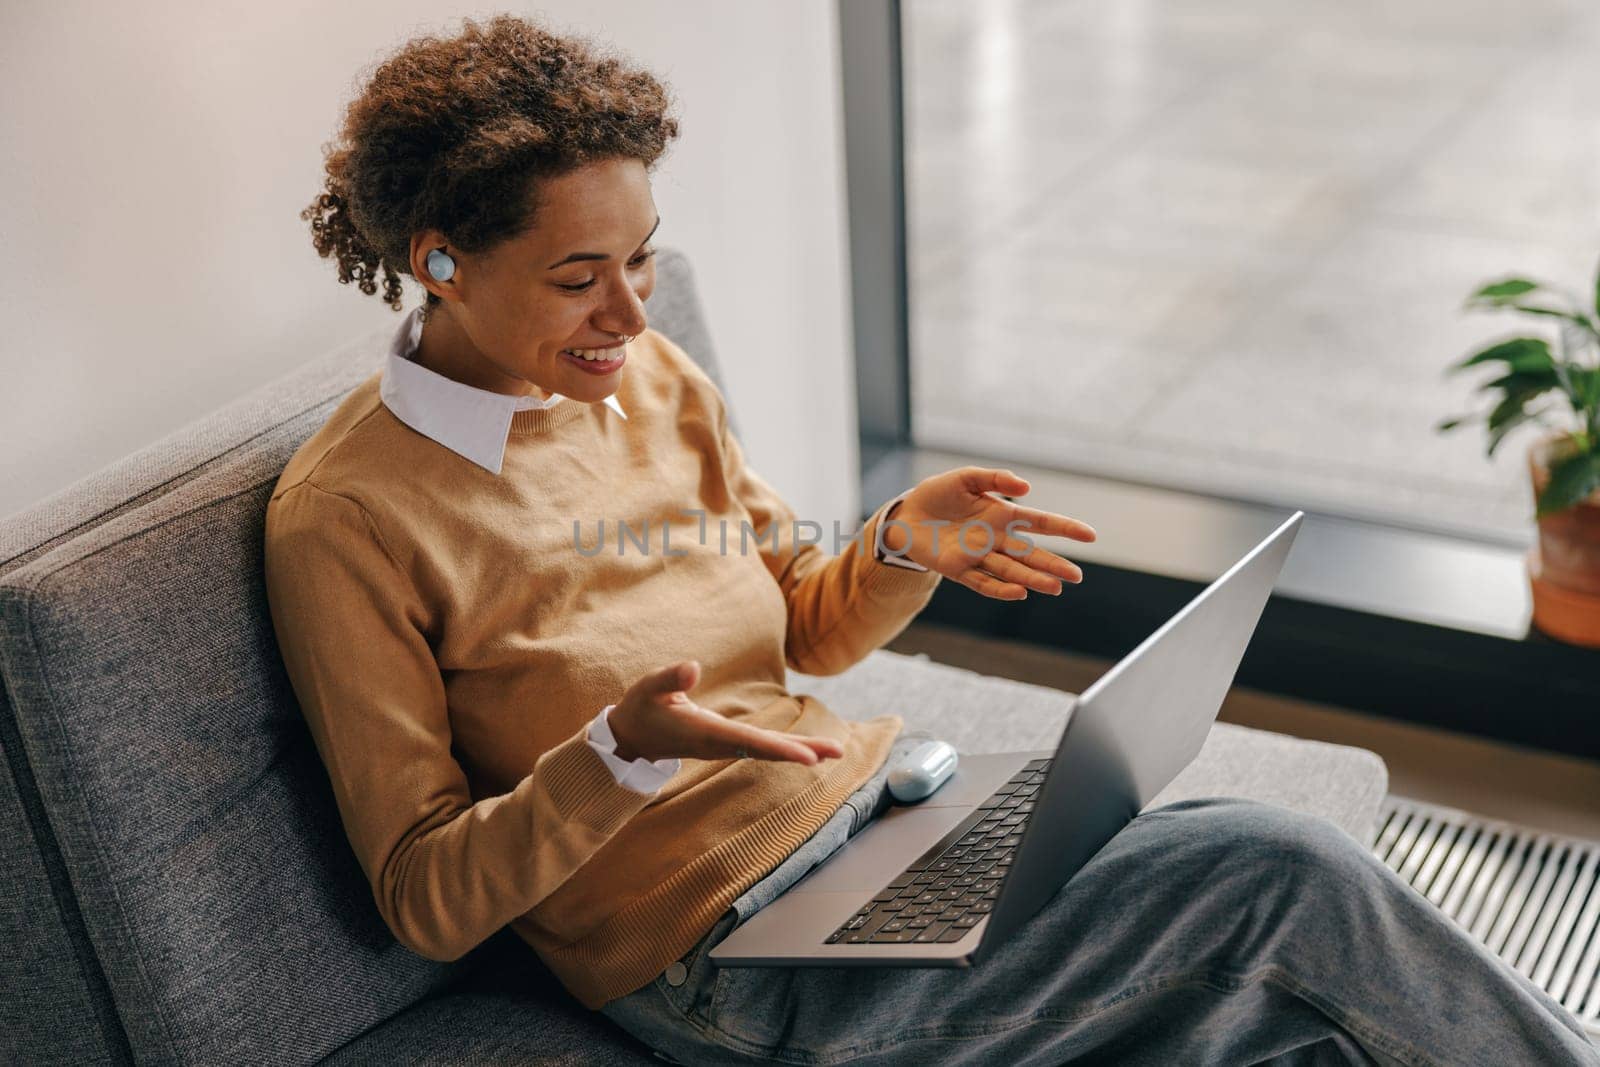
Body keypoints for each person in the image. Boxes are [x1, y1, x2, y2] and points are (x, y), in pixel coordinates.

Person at [263, 14, 1599, 1065]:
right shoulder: (350, 517)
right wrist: (615, 758)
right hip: (730, 966)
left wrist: (900, 544)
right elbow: (424, 895)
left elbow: (801, 619)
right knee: (1281, 875)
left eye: (642, 258)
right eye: (578, 277)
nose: (630, 308)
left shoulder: (649, 381)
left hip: (888, 829)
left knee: (1283, 1016)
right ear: (437, 261)